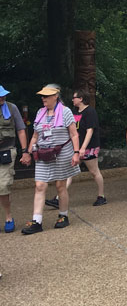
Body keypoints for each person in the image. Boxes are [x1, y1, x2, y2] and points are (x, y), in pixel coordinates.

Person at [19, 84, 81, 234]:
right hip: (42, 154)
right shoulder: (40, 112)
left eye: (46, 96)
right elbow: (35, 135)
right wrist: (27, 152)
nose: (43, 98)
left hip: (61, 154)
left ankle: (63, 215)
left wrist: (76, 152)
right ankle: (37, 221)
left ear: (55, 96)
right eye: (42, 96)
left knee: (60, 186)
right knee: (40, 185)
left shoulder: (65, 112)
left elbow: (74, 134)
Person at [50, 88, 106, 208]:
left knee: (94, 171)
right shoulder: (74, 111)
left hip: (89, 146)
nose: (72, 100)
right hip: (77, 146)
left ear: (81, 99)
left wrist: (83, 148)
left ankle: (101, 196)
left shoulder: (90, 112)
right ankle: (58, 198)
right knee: (70, 171)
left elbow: (89, 131)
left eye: (74, 97)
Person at [0, 84, 30, 233]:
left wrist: (25, 151)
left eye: (3, 95)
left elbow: (20, 129)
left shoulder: (11, 108)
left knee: (3, 186)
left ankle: (8, 216)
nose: (2, 98)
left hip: (6, 151)